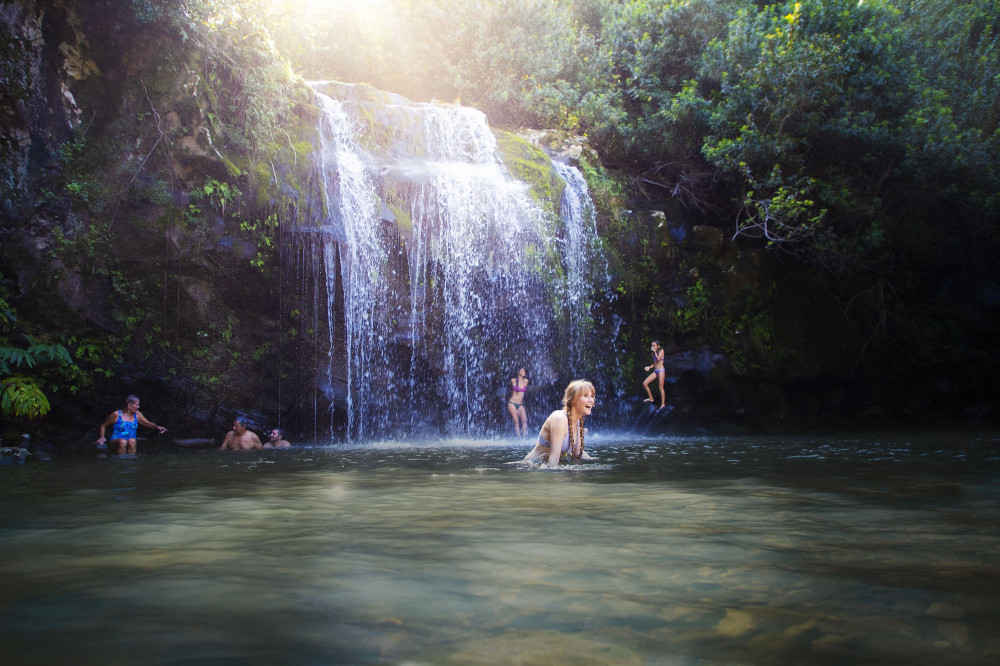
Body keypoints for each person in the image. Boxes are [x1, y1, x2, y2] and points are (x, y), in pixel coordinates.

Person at [522, 379, 596, 466]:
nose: (591, 400)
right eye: (586, 396)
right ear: (573, 399)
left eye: (592, 396)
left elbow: (578, 454)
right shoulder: (559, 419)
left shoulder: (578, 421)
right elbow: (553, 459)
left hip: (543, 467)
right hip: (531, 468)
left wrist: (596, 462)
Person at [96, 395, 167, 455]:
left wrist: (157, 427)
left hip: (131, 440)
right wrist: (102, 437)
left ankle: (130, 462)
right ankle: (120, 462)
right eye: (136, 405)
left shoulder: (137, 414)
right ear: (129, 405)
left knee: (132, 440)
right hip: (116, 440)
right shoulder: (117, 414)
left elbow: (147, 423)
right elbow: (103, 425)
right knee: (123, 441)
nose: (138, 407)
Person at [506, 367, 530, 437]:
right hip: (512, 403)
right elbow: (509, 388)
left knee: (525, 420)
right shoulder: (513, 380)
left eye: (524, 370)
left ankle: (524, 438)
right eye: (522, 370)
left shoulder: (526, 381)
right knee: (516, 421)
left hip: (520, 404)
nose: (524, 371)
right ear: (518, 372)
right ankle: (519, 439)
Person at [642, 340, 666, 409]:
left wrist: (655, 352)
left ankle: (663, 404)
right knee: (645, 383)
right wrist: (649, 367)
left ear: (658, 346)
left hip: (661, 370)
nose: (652, 347)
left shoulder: (662, 351)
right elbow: (654, 363)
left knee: (660, 387)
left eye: (654, 346)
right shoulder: (652, 354)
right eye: (652, 345)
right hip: (655, 371)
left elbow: (658, 359)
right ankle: (651, 398)